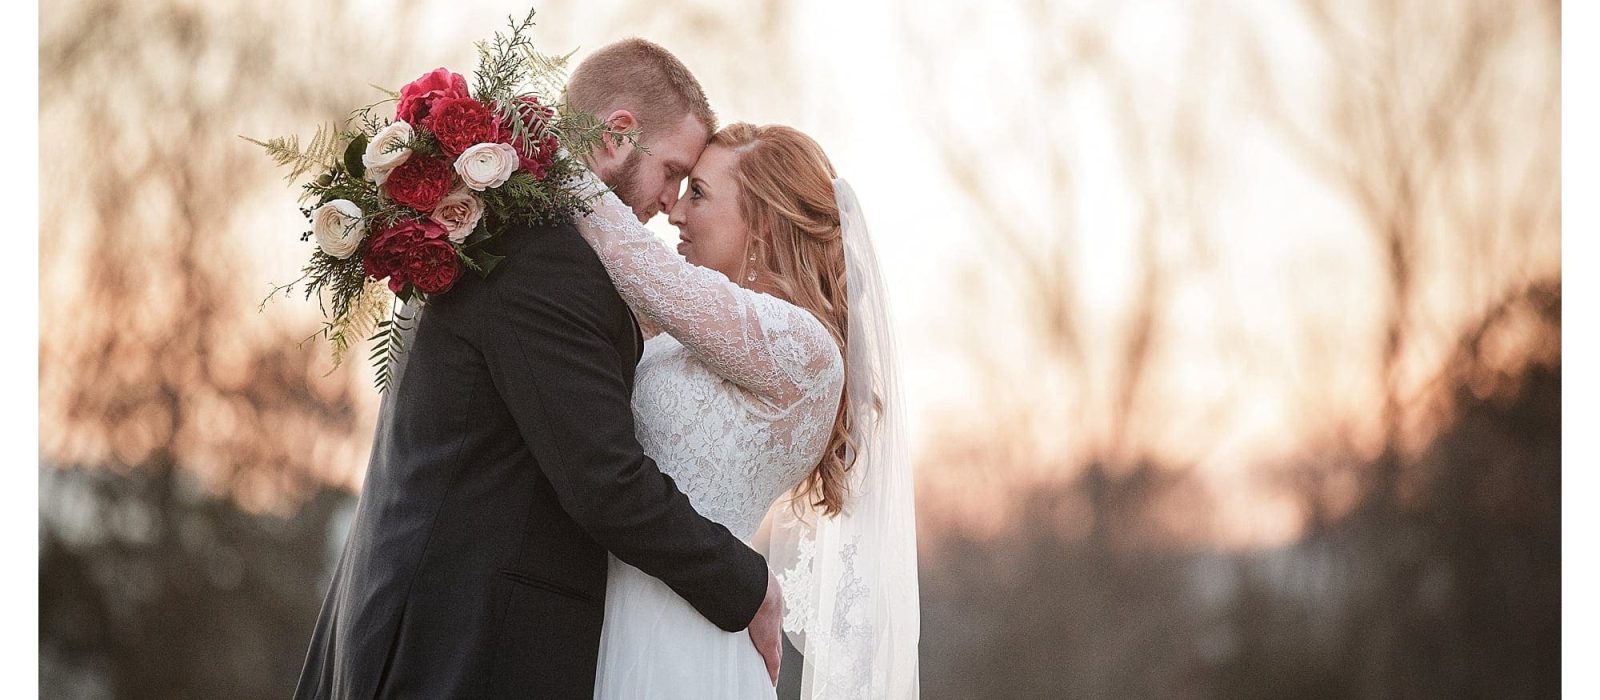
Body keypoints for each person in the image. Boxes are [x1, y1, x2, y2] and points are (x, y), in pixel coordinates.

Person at [292, 38, 784, 699]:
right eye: (671, 171)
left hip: (416, 625)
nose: (671, 205)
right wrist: (748, 585)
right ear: (617, 136)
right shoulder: (546, 258)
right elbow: (603, 481)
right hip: (458, 650)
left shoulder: (494, 232)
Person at [571, 120, 921, 698]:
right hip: (607, 619)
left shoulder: (804, 350)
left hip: (680, 644)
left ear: (761, 222)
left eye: (699, 193)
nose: (675, 213)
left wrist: (540, 157)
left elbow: (639, 264)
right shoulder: (692, 332)